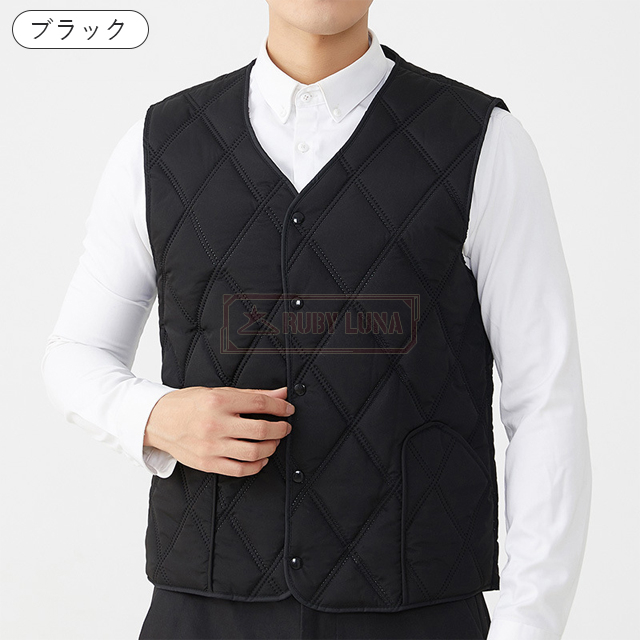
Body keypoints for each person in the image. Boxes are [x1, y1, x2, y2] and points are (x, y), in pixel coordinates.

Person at [41, 1, 592, 639]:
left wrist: (529, 626)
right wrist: (155, 417)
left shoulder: (483, 142)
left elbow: (544, 400)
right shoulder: (159, 144)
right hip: (204, 613)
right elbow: (75, 352)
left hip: (419, 612)